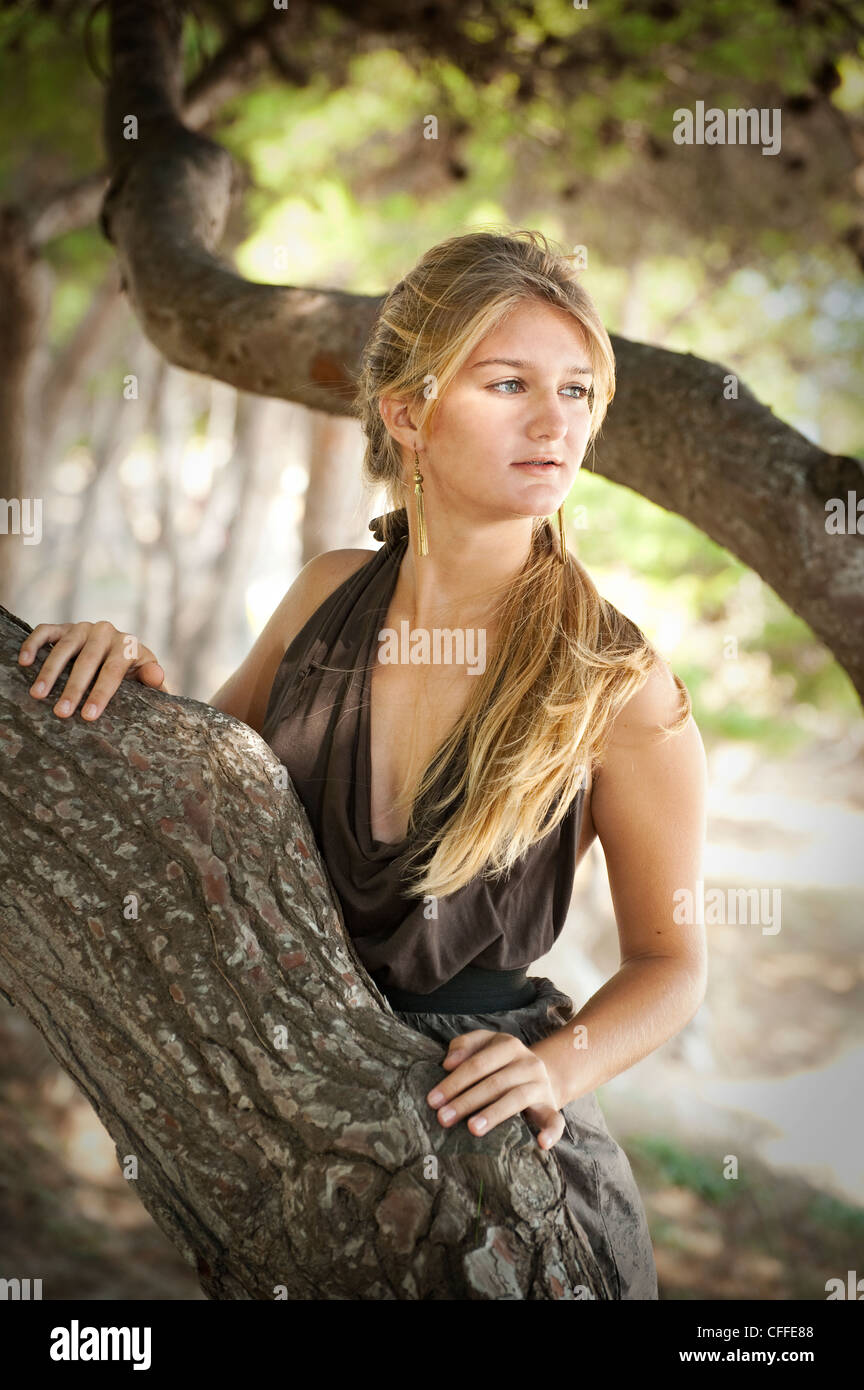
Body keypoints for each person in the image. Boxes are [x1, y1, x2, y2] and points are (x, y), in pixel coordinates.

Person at [17, 228, 707, 1300]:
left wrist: (554, 1065)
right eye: (509, 382)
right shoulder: (324, 595)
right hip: (283, 1127)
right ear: (406, 411)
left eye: (577, 390)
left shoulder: (616, 682)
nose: (555, 421)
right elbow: (206, 778)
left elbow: (673, 965)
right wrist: (128, 667)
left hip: (497, 1176)